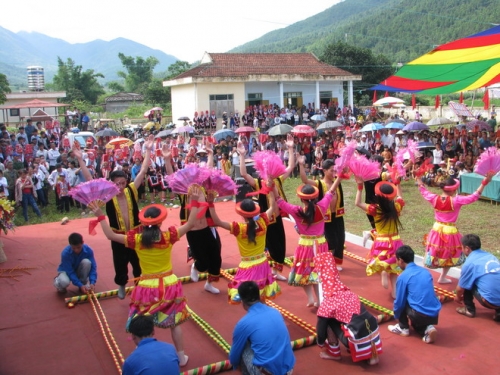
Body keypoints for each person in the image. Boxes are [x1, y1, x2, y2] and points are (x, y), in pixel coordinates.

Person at [89, 186, 203, 367]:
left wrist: (100, 214)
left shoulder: (137, 240)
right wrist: (195, 201)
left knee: (141, 322)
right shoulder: (168, 236)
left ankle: (140, 354)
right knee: (175, 324)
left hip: (146, 286)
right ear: (161, 221)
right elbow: (190, 224)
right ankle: (181, 357)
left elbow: (110, 234)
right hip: (169, 284)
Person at [208, 180, 281, 304]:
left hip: (247, 266)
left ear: (242, 214)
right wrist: (271, 190)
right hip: (263, 263)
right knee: (261, 294)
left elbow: (217, 221)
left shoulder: (239, 228)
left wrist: (210, 203)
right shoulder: (263, 221)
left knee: (247, 298)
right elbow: (273, 207)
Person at [163, 142, 222, 294]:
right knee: (202, 261)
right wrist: (167, 160)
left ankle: (209, 284)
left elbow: (208, 170)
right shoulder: (184, 192)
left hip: (208, 228)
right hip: (193, 231)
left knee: (216, 258)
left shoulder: (203, 187)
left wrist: (210, 154)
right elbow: (171, 178)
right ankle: (196, 266)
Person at [416, 173, 493, 284]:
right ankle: (442, 277)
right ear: (453, 190)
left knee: (432, 251)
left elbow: (423, 190)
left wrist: (418, 177)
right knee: (449, 254)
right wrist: (484, 183)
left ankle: (424, 277)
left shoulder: (434, 198)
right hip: (450, 232)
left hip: (436, 229)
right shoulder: (456, 200)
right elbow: (474, 196)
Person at [239, 135, 295, 281]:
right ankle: (266, 272)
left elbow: (289, 167)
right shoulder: (258, 183)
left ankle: (277, 271)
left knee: (280, 243)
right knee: (266, 245)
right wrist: (242, 155)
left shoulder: (277, 180)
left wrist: (290, 148)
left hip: (277, 218)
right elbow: (244, 174)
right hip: (264, 219)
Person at [277, 179, 341, 307]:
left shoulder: (296, 210)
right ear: (316, 196)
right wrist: (339, 176)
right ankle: (319, 299)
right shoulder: (322, 206)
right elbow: (331, 191)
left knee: (304, 272)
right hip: (321, 244)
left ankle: (311, 298)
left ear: (302, 199)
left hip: (305, 246)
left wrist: (272, 186)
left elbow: (278, 200)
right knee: (318, 272)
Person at [315, 252, 381, 365]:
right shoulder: (349, 293)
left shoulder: (328, 303)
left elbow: (320, 330)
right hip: (374, 336)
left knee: (327, 320)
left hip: (357, 338)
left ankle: (334, 352)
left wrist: (320, 342)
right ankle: (368, 353)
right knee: (352, 318)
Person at [228, 281, 295, 375]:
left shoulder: (244, 323)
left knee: (243, 346)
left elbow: (234, 358)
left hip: (268, 372)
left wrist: (235, 364)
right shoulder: (275, 312)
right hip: (288, 368)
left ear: (242, 301)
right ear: (259, 296)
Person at [354, 177, 404, 298]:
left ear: (378, 195)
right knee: (393, 266)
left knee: (381, 262)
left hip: (381, 241)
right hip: (395, 240)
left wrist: (360, 187)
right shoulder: (396, 207)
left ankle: (382, 272)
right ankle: (394, 292)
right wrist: (397, 183)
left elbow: (358, 203)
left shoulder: (375, 209)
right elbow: (400, 198)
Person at [299, 158, 346, 270]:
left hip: (338, 216)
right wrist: (301, 165)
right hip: (325, 218)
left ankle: (335, 261)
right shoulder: (318, 183)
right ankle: (326, 262)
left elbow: (346, 171)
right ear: (324, 171)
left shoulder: (337, 182)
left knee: (340, 239)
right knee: (330, 240)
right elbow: (305, 180)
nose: (334, 172)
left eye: (335, 170)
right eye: (331, 170)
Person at [388, 246, 441, 344]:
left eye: (397, 260)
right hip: (434, 313)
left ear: (401, 260)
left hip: (419, 314)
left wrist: (397, 315)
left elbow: (399, 302)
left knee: (402, 300)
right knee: (417, 320)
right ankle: (427, 328)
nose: (396, 262)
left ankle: (403, 328)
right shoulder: (425, 272)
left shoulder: (403, 277)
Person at [455, 234, 500, 321]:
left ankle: (469, 309)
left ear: (467, 248)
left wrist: (457, 296)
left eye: (462, 247)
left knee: (468, 281)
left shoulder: (469, 263)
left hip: (489, 301)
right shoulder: (491, 256)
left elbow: (460, 289)